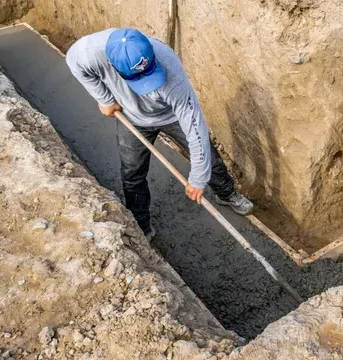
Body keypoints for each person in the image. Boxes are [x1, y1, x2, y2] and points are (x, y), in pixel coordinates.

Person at [66, 28, 253, 239]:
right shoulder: (89, 52)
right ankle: (141, 226)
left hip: (170, 115)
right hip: (133, 118)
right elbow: (74, 62)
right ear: (113, 66)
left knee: (209, 157)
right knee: (132, 174)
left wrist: (198, 177)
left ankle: (227, 194)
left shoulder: (170, 69)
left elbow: (194, 126)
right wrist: (104, 99)